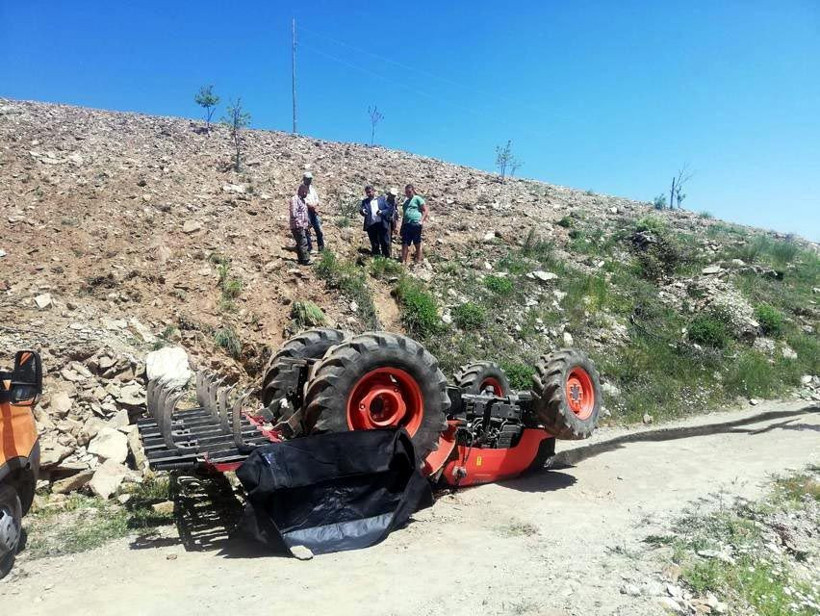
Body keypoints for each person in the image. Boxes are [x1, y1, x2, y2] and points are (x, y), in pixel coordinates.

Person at [359, 185, 393, 258]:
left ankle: (386, 257)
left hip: (381, 224)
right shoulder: (365, 201)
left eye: (370, 192)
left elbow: (388, 210)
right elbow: (362, 209)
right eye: (367, 192)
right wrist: (363, 211)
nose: (369, 194)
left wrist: (382, 212)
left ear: (374, 191)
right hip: (371, 225)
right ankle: (376, 258)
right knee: (374, 242)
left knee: (384, 241)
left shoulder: (382, 199)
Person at [400, 184, 428, 265]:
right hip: (406, 224)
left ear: (413, 190)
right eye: (406, 192)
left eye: (409, 192)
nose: (408, 193)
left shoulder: (417, 198)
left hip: (415, 223)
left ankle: (418, 260)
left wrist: (421, 221)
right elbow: (405, 215)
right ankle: (403, 261)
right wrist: (402, 226)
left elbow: (425, 210)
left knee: (417, 242)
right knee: (405, 243)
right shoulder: (406, 202)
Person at [301, 171, 324, 253]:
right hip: (306, 212)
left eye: (310, 179)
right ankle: (309, 248)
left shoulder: (312, 189)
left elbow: (317, 199)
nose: (309, 180)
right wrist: (311, 206)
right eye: (308, 179)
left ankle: (321, 249)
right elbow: (303, 201)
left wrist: (315, 205)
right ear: (304, 179)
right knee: (307, 230)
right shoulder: (301, 188)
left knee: (319, 230)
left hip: (313, 211)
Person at [289, 184, 311, 265]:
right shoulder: (295, 199)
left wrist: (307, 223)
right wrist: (300, 223)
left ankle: (301, 260)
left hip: (302, 225)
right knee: (303, 242)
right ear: (301, 191)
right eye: (305, 192)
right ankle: (306, 260)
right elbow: (293, 213)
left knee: (300, 243)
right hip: (297, 225)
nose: (306, 194)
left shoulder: (303, 201)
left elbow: (304, 213)